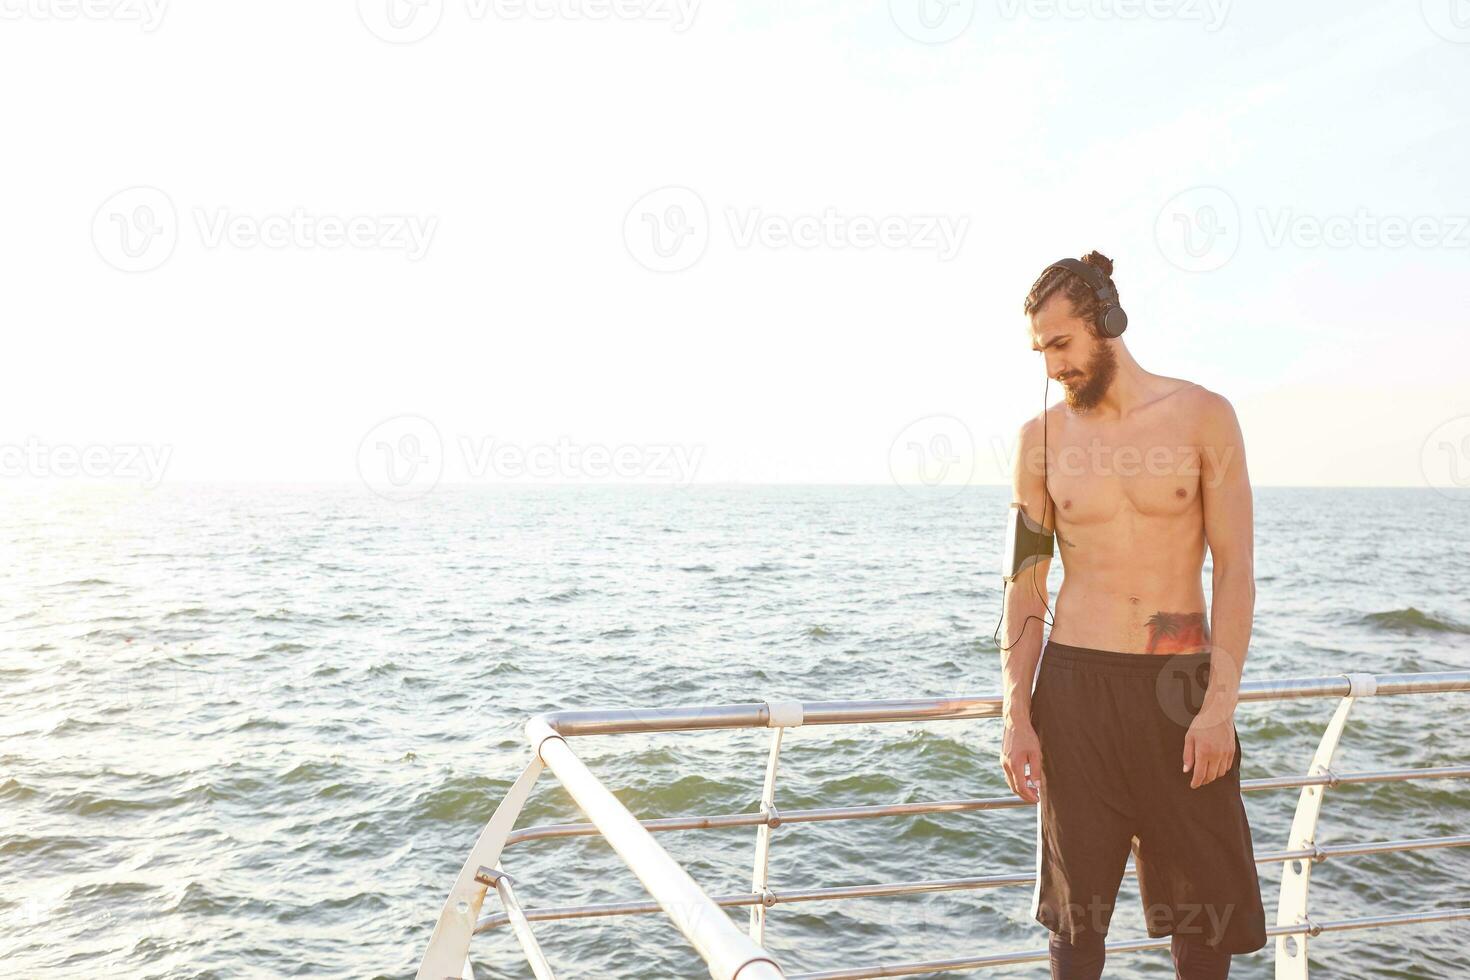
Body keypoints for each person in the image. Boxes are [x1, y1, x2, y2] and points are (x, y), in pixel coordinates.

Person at [997, 251, 1268, 979]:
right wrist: (1015, 709)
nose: (1052, 366)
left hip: (1179, 687)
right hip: (1077, 692)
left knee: (1201, 921)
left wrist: (1220, 705)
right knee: (1074, 921)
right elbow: (1025, 584)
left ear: (1107, 324)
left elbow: (1236, 568)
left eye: (1061, 344)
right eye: (1040, 351)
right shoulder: (1040, 442)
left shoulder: (1203, 417)